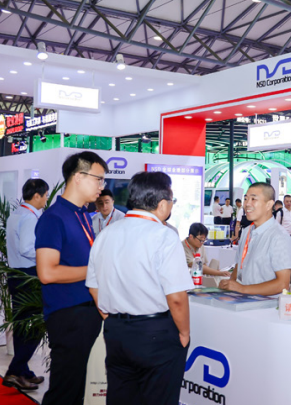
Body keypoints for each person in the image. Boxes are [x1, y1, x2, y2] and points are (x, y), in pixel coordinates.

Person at [86, 171, 194, 405]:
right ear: (162, 204)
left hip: (116, 332)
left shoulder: (105, 234)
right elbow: (176, 298)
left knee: (121, 397)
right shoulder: (164, 236)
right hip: (155, 332)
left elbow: (93, 287)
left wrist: (110, 317)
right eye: (172, 201)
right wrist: (184, 333)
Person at [35, 152, 107, 405]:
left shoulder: (82, 214)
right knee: (64, 392)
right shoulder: (54, 218)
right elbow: (47, 273)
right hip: (68, 315)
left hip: (85, 312)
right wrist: (96, 269)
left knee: (75, 390)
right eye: (98, 179)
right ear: (78, 177)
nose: (101, 186)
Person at [2, 179, 50, 391]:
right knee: (36, 326)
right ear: (37, 195)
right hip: (28, 275)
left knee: (23, 326)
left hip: (16, 275)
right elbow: (27, 249)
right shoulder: (30, 217)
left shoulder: (17, 214)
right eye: (45, 195)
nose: (46, 199)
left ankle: (23, 371)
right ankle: (15, 370)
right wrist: (49, 257)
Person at [219, 183, 291, 295]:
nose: (247, 204)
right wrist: (230, 284)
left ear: (269, 205)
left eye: (253, 199)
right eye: (246, 199)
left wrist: (242, 289)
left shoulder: (280, 237)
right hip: (242, 300)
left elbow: (282, 284)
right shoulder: (246, 231)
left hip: (266, 304)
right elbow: (239, 265)